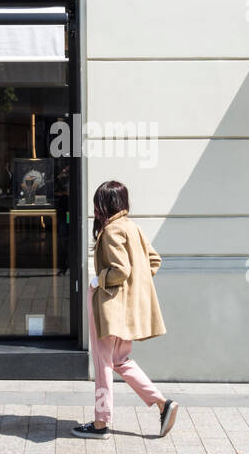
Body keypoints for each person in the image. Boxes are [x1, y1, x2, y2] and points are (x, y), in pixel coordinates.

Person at [74, 180, 178, 439]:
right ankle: (163, 404)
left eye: (98, 203)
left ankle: (100, 423)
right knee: (120, 361)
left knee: (103, 365)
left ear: (105, 205)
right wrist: (134, 286)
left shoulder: (111, 231)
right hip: (125, 309)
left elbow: (121, 270)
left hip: (108, 307)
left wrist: (100, 280)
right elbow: (154, 260)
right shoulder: (133, 227)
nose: (96, 209)